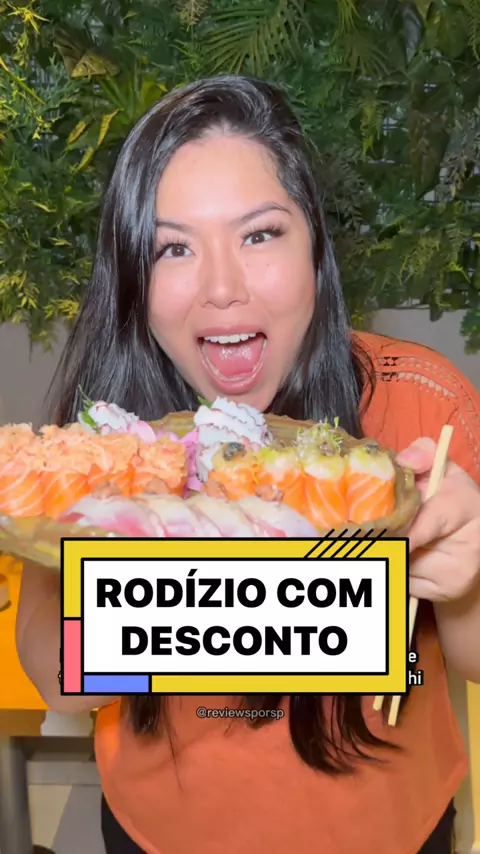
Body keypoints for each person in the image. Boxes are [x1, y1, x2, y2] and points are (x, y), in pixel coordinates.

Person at [16, 75, 480, 854]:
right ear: (134, 277)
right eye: (173, 248)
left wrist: (461, 581)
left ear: (316, 250)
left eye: (259, 235)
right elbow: (56, 680)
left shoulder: (420, 411)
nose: (223, 289)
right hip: (159, 834)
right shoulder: (108, 444)